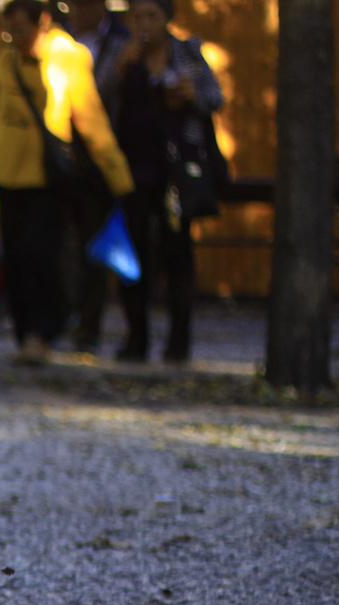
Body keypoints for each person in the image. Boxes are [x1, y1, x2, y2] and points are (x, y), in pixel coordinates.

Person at [0, 0, 132, 365]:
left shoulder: (67, 56)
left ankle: (43, 331)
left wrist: (117, 175)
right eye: (10, 31)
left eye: (20, 30)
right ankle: (27, 336)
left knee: (41, 252)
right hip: (6, 171)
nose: (15, 39)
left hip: (46, 175)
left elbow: (90, 118)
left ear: (43, 23)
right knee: (18, 256)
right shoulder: (4, 57)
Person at [111, 0, 222, 363]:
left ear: (167, 20)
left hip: (176, 171)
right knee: (134, 255)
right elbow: (98, 100)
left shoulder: (187, 55)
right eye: (137, 16)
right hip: (132, 170)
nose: (143, 24)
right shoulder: (122, 54)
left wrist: (194, 96)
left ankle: (179, 341)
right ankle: (136, 337)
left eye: (151, 17)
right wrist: (118, 71)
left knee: (177, 255)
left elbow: (214, 97)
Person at [64, 0, 131, 351]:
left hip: (101, 164)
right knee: (64, 245)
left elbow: (102, 102)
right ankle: (66, 317)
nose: (74, 11)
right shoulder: (60, 41)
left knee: (95, 244)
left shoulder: (123, 43)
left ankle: (89, 324)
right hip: (62, 163)